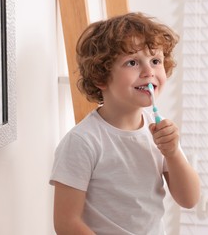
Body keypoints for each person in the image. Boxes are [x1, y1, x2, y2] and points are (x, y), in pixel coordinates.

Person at [50, 12, 200, 235]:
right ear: (101, 77)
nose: (149, 71)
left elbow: (189, 199)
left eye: (155, 61)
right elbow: (66, 223)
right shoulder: (82, 142)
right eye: (132, 62)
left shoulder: (160, 133)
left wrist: (173, 153)